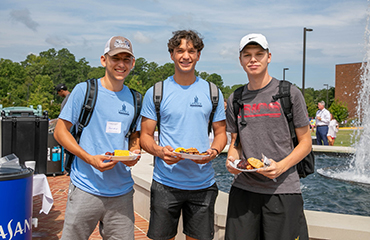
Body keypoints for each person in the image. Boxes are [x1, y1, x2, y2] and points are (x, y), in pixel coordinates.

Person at [140, 30, 227, 240]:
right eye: (180, 51)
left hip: (203, 185)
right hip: (165, 183)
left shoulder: (212, 92)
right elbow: (145, 136)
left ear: (198, 55)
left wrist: (214, 151)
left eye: (191, 51)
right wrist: (159, 151)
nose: (185, 56)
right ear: (171, 55)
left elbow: (221, 133)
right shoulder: (156, 92)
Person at [225, 33, 311, 240]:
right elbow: (236, 143)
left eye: (259, 54)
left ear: (269, 57)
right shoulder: (236, 98)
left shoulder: (289, 93)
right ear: (240, 60)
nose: (253, 59)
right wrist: (231, 159)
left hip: (283, 189)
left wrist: (281, 167)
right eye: (247, 55)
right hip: (244, 189)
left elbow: (306, 142)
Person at [54, 36, 141, 240]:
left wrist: (134, 152)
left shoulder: (135, 99)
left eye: (126, 59)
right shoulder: (84, 91)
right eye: (115, 58)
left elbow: (134, 135)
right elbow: (60, 131)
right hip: (86, 186)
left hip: (122, 192)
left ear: (132, 63)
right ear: (104, 60)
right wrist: (89, 158)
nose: (121, 64)